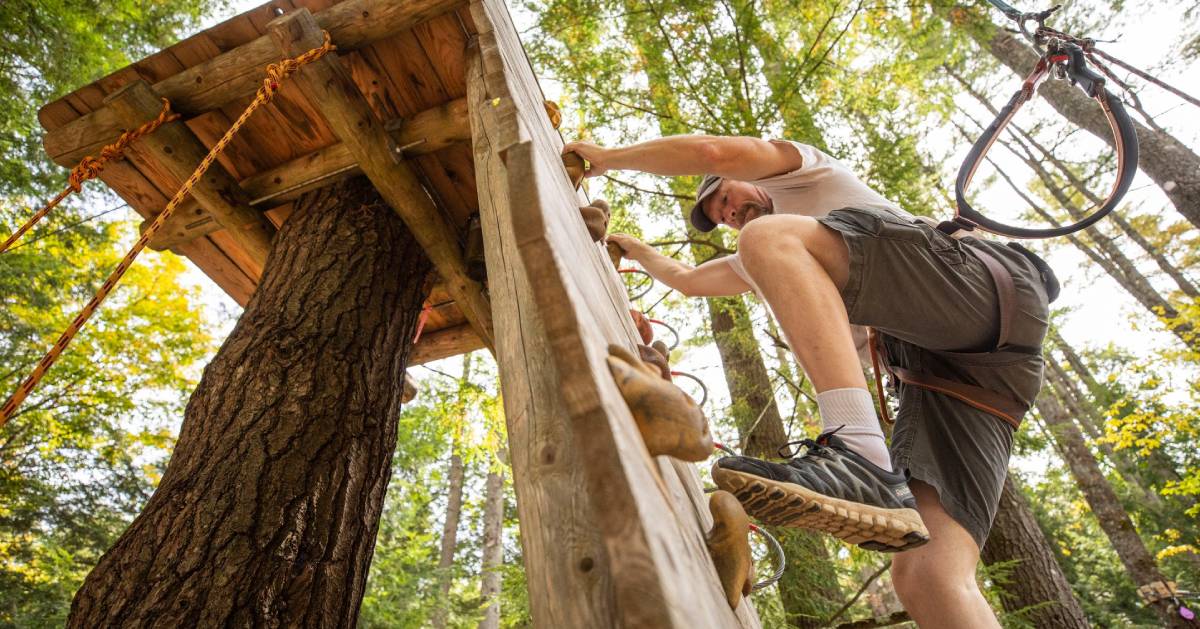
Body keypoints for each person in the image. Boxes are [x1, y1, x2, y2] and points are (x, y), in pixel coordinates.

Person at [563, 135, 1052, 628]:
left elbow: (714, 154)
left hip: (982, 290)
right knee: (929, 577)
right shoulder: (791, 250)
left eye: (725, 196)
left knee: (766, 239)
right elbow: (691, 281)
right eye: (719, 216)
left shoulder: (805, 177)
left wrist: (609, 159)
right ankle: (867, 465)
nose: (727, 211)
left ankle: (857, 449)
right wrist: (635, 249)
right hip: (969, 380)